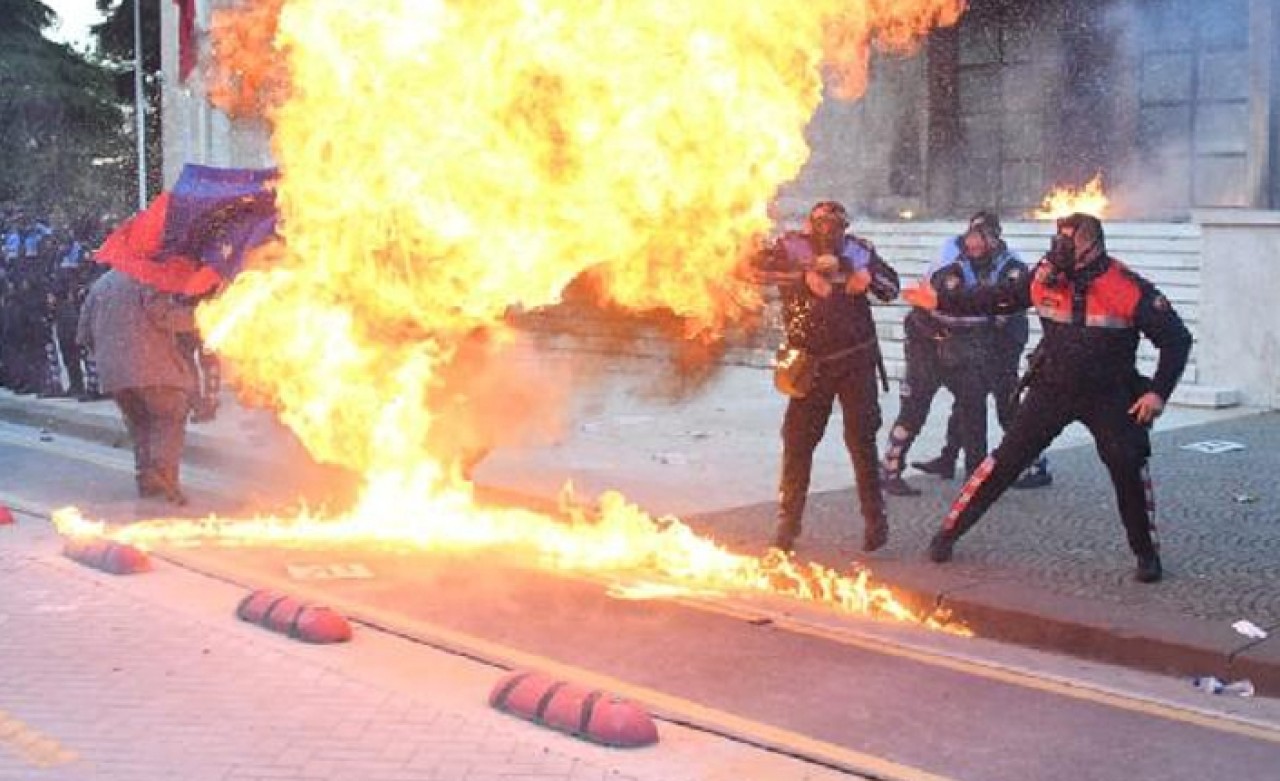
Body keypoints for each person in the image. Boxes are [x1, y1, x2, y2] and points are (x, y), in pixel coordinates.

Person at [904, 213, 1192, 582]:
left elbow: (1176, 339)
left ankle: (1146, 554)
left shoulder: (1126, 286)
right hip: (1052, 388)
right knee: (1005, 460)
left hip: (1109, 393)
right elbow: (998, 297)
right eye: (1057, 242)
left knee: (1127, 465)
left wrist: (1157, 392)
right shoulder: (1044, 275)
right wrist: (941, 298)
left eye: (1068, 244)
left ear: (1093, 246)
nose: (1059, 251)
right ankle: (947, 534)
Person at [754, 201, 901, 553]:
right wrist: (805, 276)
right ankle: (788, 522)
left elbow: (890, 287)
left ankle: (875, 519)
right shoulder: (791, 247)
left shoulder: (859, 250)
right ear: (810, 224)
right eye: (821, 224)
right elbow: (758, 272)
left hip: (855, 359)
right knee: (797, 442)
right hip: (810, 362)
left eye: (835, 226)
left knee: (862, 440)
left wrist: (860, 276)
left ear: (844, 227)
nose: (828, 232)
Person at [77, 269, 200, 505]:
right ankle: (165, 478)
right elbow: (164, 316)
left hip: (114, 374)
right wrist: (203, 316)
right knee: (168, 420)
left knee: (140, 425)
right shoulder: (148, 278)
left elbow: (83, 332)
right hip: (152, 369)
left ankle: (147, 479)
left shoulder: (101, 284)